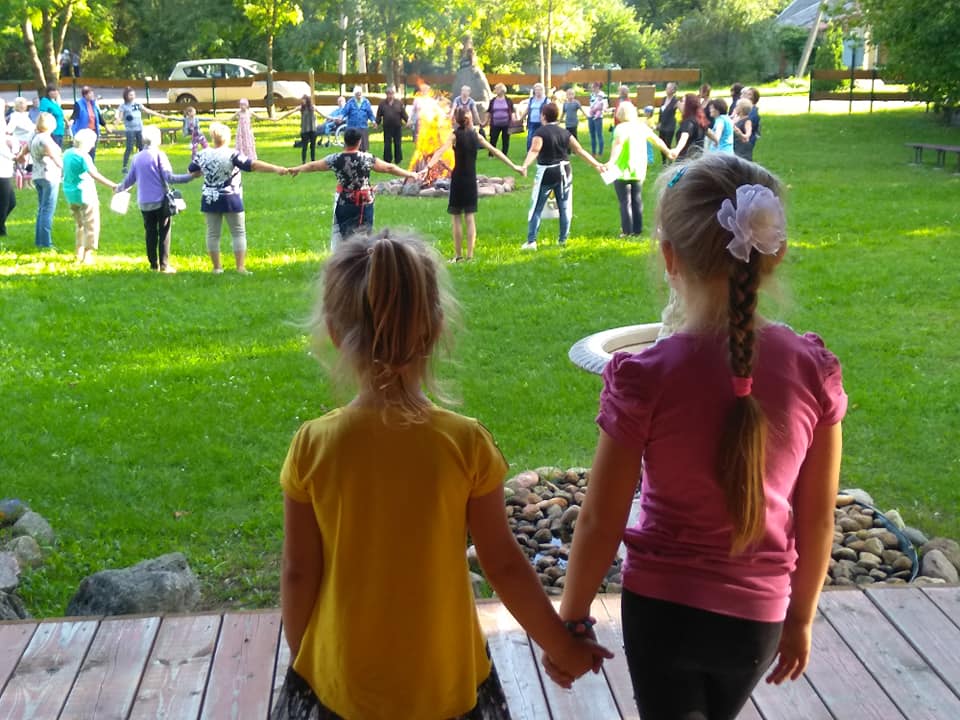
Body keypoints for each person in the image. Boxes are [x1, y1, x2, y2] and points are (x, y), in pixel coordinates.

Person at [548, 152, 846, 720]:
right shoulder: (812, 369)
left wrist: (574, 618)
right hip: (758, 621)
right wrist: (801, 618)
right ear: (776, 253)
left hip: (663, 614)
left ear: (669, 257)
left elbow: (600, 518)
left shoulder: (647, 376)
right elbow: (817, 520)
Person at [270, 230, 612, 720]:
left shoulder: (313, 446)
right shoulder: (465, 444)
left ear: (332, 331)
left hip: (343, 681)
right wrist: (562, 646)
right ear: (435, 328)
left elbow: (299, 571)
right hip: (444, 679)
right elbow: (503, 564)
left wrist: (306, 661)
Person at [287, 127, 421, 245]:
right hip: (364, 202)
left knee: (346, 237)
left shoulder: (335, 158)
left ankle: (347, 258)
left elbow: (313, 166)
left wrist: (297, 169)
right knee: (365, 237)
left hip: (344, 201)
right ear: (359, 142)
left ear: (344, 141)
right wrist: (410, 174)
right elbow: (389, 168)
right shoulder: (366, 158)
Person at [184, 122, 287, 274]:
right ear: (227, 138)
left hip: (209, 198)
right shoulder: (232, 154)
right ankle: (240, 267)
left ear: (212, 138)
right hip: (230, 198)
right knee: (238, 232)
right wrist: (276, 168)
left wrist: (202, 173)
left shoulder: (202, 154)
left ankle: (217, 268)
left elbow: (192, 170)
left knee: (212, 234)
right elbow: (252, 165)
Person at [428, 107, 522, 262]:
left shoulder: (454, 135)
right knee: (470, 217)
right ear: (470, 118)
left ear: (456, 120)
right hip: (471, 179)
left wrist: (428, 167)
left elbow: (440, 152)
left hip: (458, 179)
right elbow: (495, 151)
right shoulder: (476, 135)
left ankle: (458, 256)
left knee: (456, 217)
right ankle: (470, 256)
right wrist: (514, 166)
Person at [519, 102, 605, 250]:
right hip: (565, 171)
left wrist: (525, 165)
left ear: (543, 116)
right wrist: (596, 164)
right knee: (564, 206)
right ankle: (563, 239)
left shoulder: (540, 132)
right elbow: (579, 150)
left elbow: (534, 150)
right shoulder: (565, 132)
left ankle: (531, 241)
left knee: (537, 206)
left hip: (547, 172)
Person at [115, 125, 193, 273]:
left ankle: (153, 265)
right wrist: (190, 177)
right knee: (164, 231)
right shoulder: (159, 155)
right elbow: (169, 177)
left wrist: (119, 188)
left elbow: (129, 180)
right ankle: (164, 265)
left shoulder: (137, 157)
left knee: (150, 232)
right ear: (157, 139)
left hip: (144, 202)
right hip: (160, 200)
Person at [606, 102, 673, 238]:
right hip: (638, 169)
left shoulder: (620, 128)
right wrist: (668, 152)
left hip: (621, 169)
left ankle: (627, 231)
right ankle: (637, 229)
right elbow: (657, 140)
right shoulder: (641, 127)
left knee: (625, 202)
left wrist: (611, 161)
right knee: (636, 199)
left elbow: (618, 144)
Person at [61, 128, 117, 265]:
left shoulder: (67, 153)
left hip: (70, 193)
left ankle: (78, 252)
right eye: (92, 142)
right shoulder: (84, 156)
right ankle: (87, 255)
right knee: (91, 224)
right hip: (85, 194)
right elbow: (94, 174)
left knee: (79, 224)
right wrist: (113, 186)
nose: (93, 145)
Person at [21, 112, 62, 250]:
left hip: (37, 175)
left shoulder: (33, 136)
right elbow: (54, 157)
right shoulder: (45, 139)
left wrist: (20, 156)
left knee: (42, 209)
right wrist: (65, 168)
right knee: (47, 210)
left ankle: (39, 240)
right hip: (49, 175)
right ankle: (46, 243)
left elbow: (25, 149)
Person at [117, 87, 166, 174]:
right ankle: (124, 166)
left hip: (139, 129)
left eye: (133, 94)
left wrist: (159, 114)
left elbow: (147, 111)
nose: (132, 96)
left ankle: (143, 164)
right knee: (129, 147)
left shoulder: (137, 104)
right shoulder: (123, 106)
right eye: (130, 95)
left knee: (141, 147)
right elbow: (120, 117)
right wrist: (117, 121)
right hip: (130, 130)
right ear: (126, 96)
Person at [70, 86, 110, 161]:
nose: (92, 95)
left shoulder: (93, 104)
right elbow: (75, 114)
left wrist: (106, 127)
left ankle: (90, 166)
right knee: (83, 152)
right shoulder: (79, 104)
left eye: (92, 93)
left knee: (92, 152)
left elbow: (98, 117)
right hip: (83, 133)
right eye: (90, 94)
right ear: (85, 95)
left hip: (93, 131)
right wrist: (71, 121)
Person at [376, 85, 408, 164]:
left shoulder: (399, 103)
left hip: (397, 127)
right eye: (388, 94)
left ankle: (398, 159)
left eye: (391, 94)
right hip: (387, 127)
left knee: (398, 143)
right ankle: (387, 159)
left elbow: (403, 114)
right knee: (387, 144)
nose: (390, 95)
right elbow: (379, 115)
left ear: (394, 94)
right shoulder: (382, 104)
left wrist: (408, 121)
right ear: (386, 94)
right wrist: (377, 123)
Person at [672, 93, 709, 160]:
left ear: (688, 105)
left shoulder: (688, 122)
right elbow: (709, 132)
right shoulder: (700, 120)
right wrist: (716, 141)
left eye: (683, 101)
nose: (681, 104)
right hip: (698, 157)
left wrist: (677, 150)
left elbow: (684, 137)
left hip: (687, 159)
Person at [0, 102, 18, 236]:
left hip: (6, 168)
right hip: (2, 170)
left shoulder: (3, 123)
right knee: (6, 202)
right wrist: (14, 157)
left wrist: (12, 145)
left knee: (10, 202)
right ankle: (1, 231)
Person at [342, 86, 376, 152]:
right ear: (354, 94)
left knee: (364, 149)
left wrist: (373, 121)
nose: (359, 95)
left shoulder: (366, 102)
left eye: (360, 93)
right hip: (352, 128)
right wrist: (340, 117)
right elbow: (344, 112)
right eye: (357, 94)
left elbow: (370, 114)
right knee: (351, 148)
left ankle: (363, 157)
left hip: (363, 127)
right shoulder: (350, 102)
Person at [486, 83, 515, 156]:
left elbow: (512, 111)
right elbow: (489, 112)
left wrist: (514, 120)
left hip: (506, 124)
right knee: (493, 139)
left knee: (505, 139)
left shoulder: (508, 100)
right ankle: (491, 154)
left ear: (502, 90)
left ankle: (504, 154)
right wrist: (485, 122)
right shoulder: (493, 101)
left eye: (497, 89)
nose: (495, 90)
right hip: (495, 124)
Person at [519, 82, 547, 151]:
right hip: (532, 123)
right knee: (530, 139)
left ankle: (541, 153)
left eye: (540, 90)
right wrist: (521, 118)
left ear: (543, 90)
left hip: (542, 123)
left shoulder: (546, 100)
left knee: (542, 139)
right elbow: (527, 109)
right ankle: (529, 152)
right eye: (536, 90)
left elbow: (549, 112)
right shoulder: (531, 100)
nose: (538, 91)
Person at [656, 82, 679, 161]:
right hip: (662, 125)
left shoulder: (675, 101)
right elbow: (661, 112)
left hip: (670, 125)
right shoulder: (664, 99)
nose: (666, 89)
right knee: (661, 144)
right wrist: (659, 123)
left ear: (673, 90)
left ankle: (669, 160)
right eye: (666, 88)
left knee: (667, 143)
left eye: (669, 88)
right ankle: (664, 161)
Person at [587, 82, 608, 157]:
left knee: (599, 134)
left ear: (598, 87)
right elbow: (591, 104)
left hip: (598, 117)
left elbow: (605, 105)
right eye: (592, 87)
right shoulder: (592, 95)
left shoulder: (603, 95)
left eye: (594, 87)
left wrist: (602, 110)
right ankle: (593, 152)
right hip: (591, 115)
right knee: (592, 134)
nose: (592, 89)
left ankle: (600, 152)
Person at [742, 87, 762, 158]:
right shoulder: (747, 109)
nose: (746, 96)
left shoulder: (753, 112)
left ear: (754, 98)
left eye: (749, 94)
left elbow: (747, 126)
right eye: (746, 94)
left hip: (747, 140)